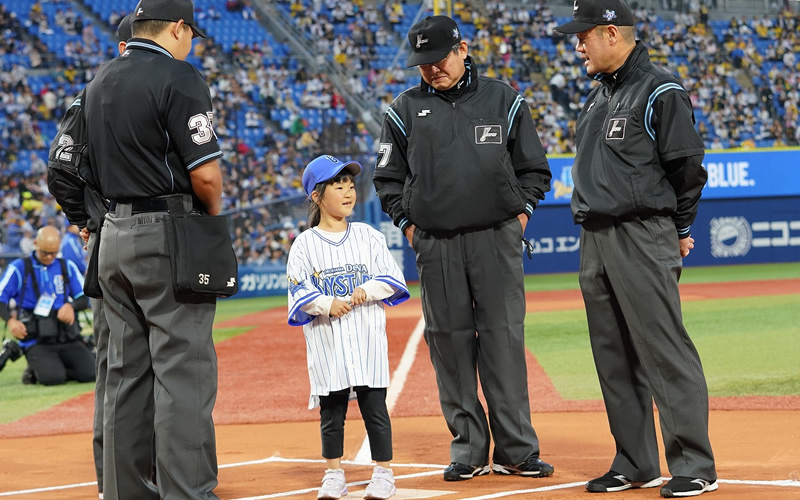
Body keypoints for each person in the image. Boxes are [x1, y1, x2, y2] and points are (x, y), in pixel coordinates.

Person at [373, 16, 554, 482]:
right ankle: (469, 449)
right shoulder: (403, 109)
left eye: (438, 59)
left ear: (463, 48)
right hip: (436, 244)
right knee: (450, 348)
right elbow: (387, 180)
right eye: (422, 63)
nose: (431, 70)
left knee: (503, 341)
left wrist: (519, 218)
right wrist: (411, 228)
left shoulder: (504, 99)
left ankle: (516, 450)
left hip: (496, 238)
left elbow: (535, 170)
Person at [553, 0, 717, 497]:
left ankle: (693, 464)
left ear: (610, 33)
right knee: (614, 356)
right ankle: (635, 461)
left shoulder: (659, 88)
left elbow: (687, 167)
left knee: (662, 348)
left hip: (642, 233)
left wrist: (678, 226)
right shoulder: (598, 96)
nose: (576, 44)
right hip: (595, 238)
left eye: (583, 34)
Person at [77, 0, 223, 498]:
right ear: (179, 27)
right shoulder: (180, 76)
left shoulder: (98, 81)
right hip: (166, 231)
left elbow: (76, 166)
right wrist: (210, 213)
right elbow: (204, 173)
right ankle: (187, 493)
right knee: (184, 370)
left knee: (124, 377)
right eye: (191, 34)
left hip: (111, 236)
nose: (191, 43)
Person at [47, 13, 133, 500]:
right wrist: (86, 219)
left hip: (106, 240)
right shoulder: (144, 88)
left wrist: (86, 219)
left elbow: (61, 169)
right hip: (138, 238)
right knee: (137, 368)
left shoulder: (91, 94)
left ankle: (115, 485)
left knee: (115, 369)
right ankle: (152, 480)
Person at [287, 155, 409, 500]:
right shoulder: (305, 244)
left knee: (375, 407)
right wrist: (326, 303)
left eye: (351, 185)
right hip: (328, 341)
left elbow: (392, 278)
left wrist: (366, 289)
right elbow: (298, 290)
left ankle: (384, 472)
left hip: (367, 336)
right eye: (337, 186)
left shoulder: (368, 236)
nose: (348, 191)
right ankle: (333, 474)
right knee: (332, 410)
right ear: (316, 196)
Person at [0, 226, 94, 386]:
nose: (50, 257)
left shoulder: (66, 266)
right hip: (36, 338)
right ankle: (36, 370)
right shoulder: (18, 267)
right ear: (35, 244)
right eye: (45, 252)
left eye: (54, 253)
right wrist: (10, 321)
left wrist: (71, 306)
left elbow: (84, 297)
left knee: (91, 374)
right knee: (53, 379)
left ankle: (55, 366)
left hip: (66, 336)